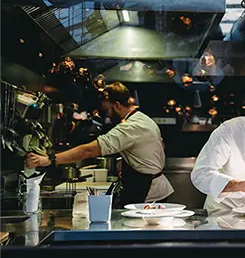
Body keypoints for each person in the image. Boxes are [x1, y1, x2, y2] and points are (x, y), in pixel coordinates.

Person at [26, 82, 174, 206]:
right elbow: (160, 147)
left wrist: (49, 160)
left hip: (148, 192)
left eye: (106, 109)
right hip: (152, 187)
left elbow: (88, 151)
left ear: (116, 105)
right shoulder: (143, 119)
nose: (107, 114)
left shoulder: (129, 127)